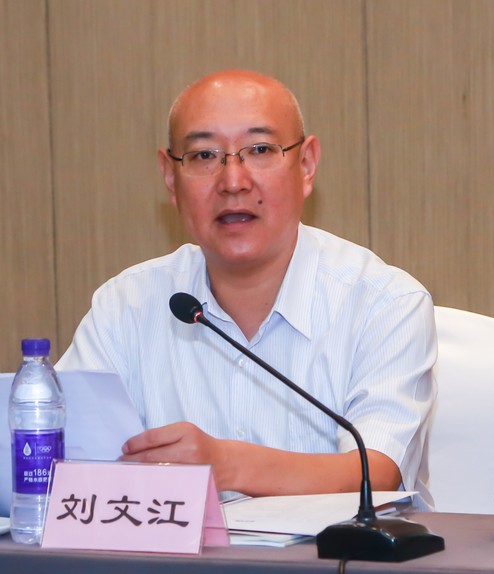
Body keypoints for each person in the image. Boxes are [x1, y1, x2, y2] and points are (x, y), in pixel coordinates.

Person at [57, 69, 437, 509]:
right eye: (204, 155)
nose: (233, 181)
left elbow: (378, 474)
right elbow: (59, 452)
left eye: (260, 150)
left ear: (306, 165)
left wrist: (227, 465)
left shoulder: (385, 303)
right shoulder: (125, 306)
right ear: (170, 177)